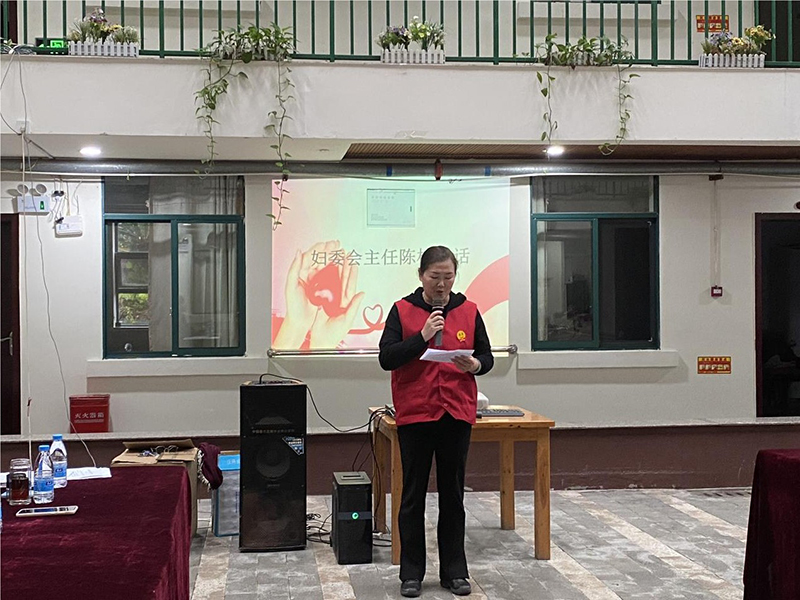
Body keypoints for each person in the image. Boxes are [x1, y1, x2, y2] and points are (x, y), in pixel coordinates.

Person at [379, 245, 494, 598]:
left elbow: (486, 356)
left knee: (453, 495)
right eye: (435, 277)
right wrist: (423, 337)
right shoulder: (402, 310)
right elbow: (387, 358)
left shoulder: (468, 310)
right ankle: (411, 574)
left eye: (448, 277)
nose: (442, 285)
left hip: (455, 413)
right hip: (416, 413)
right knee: (412, 495)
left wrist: (476, 365)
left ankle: (455, 572)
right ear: (421, 276)